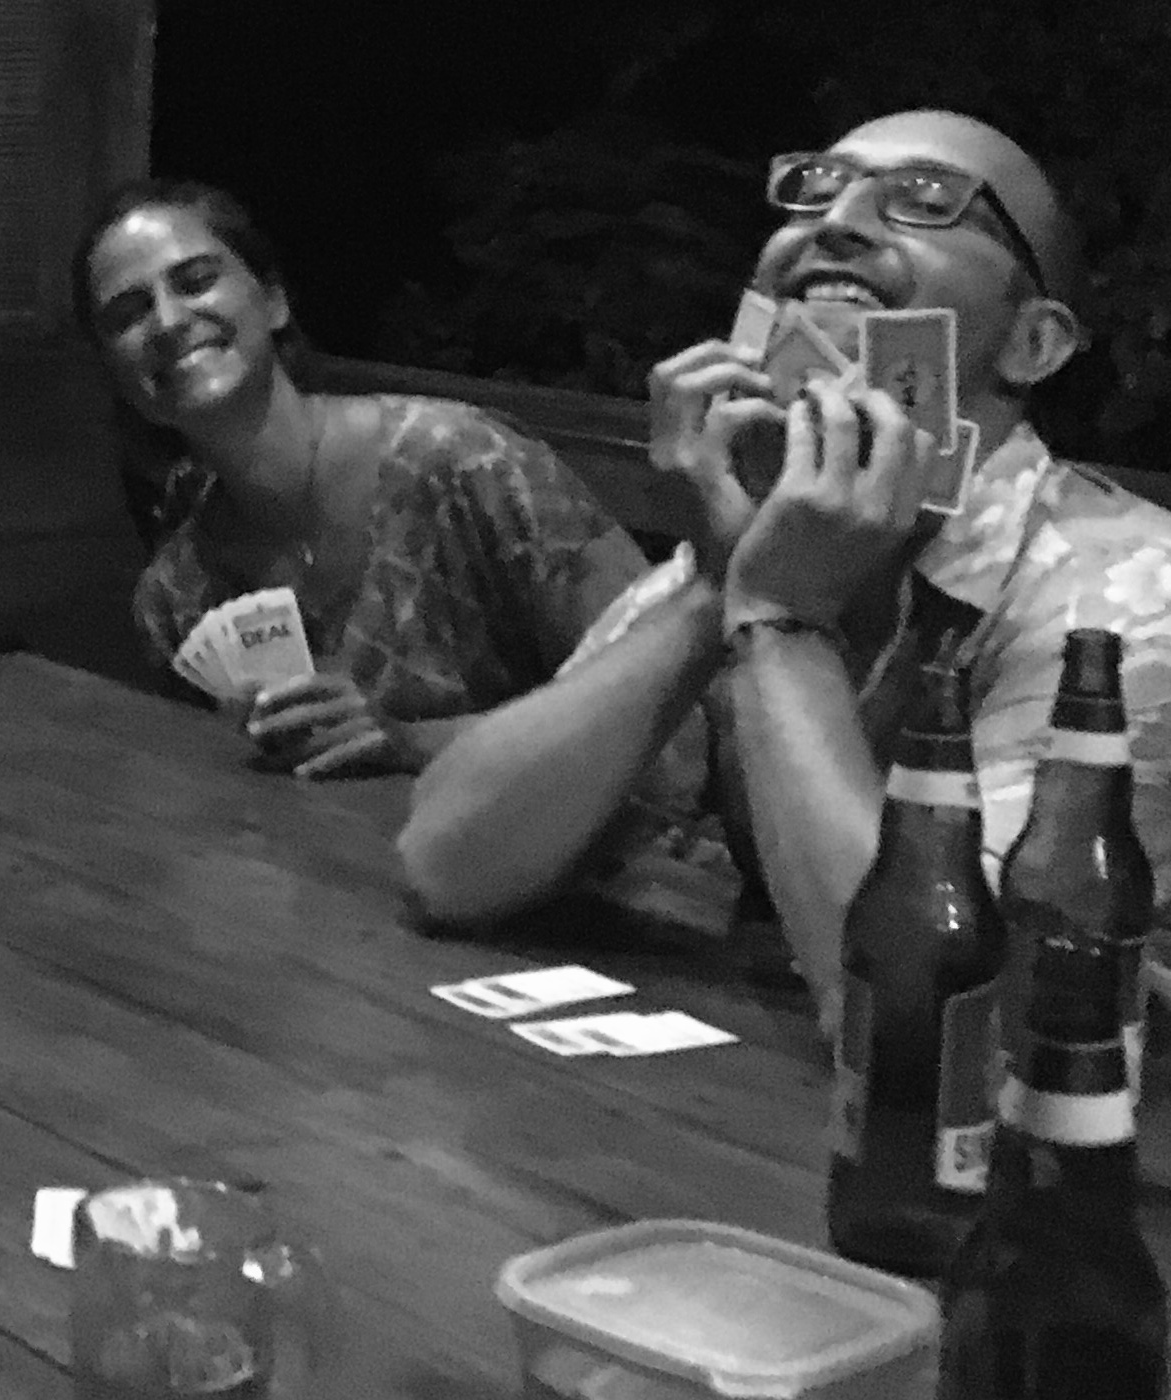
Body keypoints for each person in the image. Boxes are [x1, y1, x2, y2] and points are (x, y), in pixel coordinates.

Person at [399, 113, 1171, 1016]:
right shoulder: (768, 527)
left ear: (1031, 343)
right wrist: (715, 583)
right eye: (816, 187)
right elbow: (447, 864)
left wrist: (779, 620)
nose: (836, 221)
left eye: (926, 200)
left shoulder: (1129, 595)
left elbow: (932, 1016)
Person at [77, 179, 650, 779]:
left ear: (273, 301)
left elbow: (667, 712)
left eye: (196, 282)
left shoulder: (468, 464)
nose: (168, 321)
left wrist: (414, 743)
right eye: (128, 314)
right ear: (118, 377)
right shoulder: (177, 599)